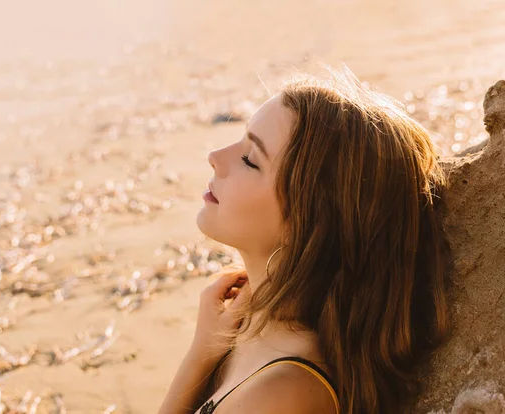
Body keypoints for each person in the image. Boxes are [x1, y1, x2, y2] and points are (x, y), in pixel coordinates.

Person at [157, 66, 452, 414]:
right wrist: (200, 354)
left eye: (250, 160)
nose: (216, 157)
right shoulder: (249, 327)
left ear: (308, 223)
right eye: (240, 138)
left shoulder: (283, 395)